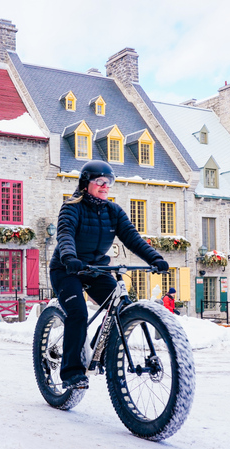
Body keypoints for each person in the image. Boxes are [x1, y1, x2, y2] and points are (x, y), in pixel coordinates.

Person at [50, 160, 169, 390]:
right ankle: (71, 372)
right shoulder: (71, 207)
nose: (106, 186)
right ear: (86, 184)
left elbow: (133, 238)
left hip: (96, 269)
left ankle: (101, 350)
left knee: (121, 307)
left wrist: (154, 258)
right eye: (100, 182)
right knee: (78, 313)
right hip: (67, 269)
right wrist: (69, 258)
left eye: (109, 182)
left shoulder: (113, 211)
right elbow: (65, 235)